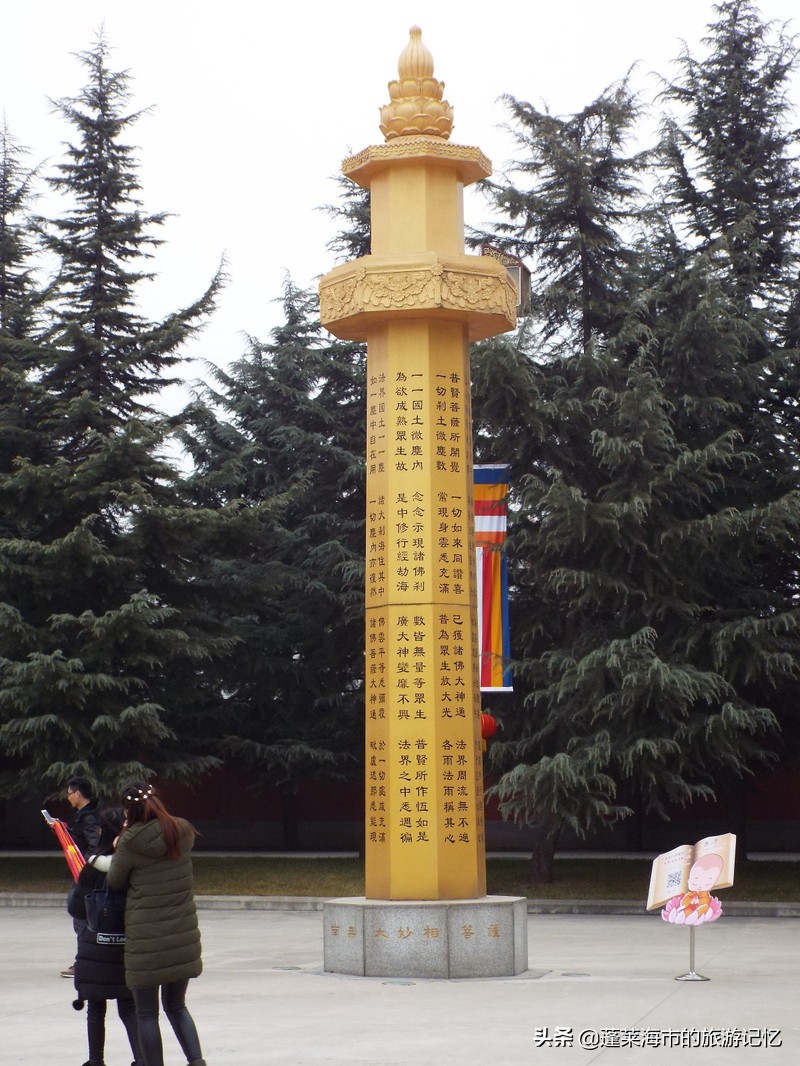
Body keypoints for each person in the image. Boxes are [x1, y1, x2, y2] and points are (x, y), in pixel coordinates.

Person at [108, 781, 207, 1066]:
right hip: (182, 935)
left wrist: (120, 840)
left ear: (128, 809)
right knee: (177, 1006)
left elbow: (115, 881)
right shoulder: (182, 830)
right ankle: (197, 1061)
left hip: (146, 939)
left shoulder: (130, 840)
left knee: (147, 1013)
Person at [68, 807, 142, 1066]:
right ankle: (141, 1059)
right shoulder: (132, 867)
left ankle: (95, 1061)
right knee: (129, 1007)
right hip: (126, 945)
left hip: (94, 946)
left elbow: (75, 907)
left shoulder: (91, 868)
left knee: (96, 1009)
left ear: (101, 832)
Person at [62, 777, 102, 979]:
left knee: (81, 918)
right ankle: (84, 961)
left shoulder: (88, 818)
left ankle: (83, 963)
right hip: (81, 873)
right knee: (82, 918)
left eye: (69, 793)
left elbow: (93, 846)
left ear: (78, 794)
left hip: (85, 875)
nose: (68, 798)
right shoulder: (83, 815)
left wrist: (83, 864)